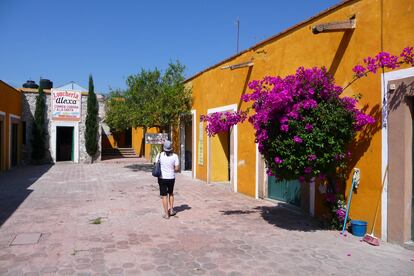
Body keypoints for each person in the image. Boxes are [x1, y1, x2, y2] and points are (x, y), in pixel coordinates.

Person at [156, 140, 179, 219]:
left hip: (162, 178)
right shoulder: (175, 156)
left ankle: (166, 214)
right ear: (171, 148)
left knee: (164, 195)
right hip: (171, 178)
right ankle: (171, 210)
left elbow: (156, 164)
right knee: (171, 193)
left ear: (164, 148)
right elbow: (177, 168)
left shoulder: (159, 155)